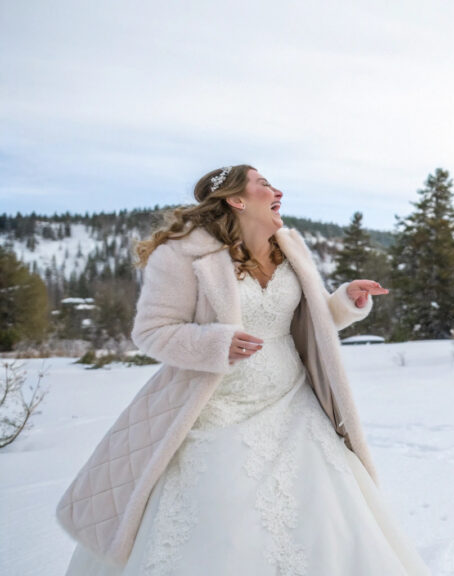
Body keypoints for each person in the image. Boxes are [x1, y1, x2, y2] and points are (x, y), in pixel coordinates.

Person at [57, 165, 429, 575]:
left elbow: (307, 318)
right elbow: (152, 332)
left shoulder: (290, 246)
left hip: (293, 402)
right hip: (213, 409)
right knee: (222, 513)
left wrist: (345, 301)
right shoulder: (183, 252)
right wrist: (215, 343)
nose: (278, 190)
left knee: (323, 511)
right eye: (264, 184)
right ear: (236, 200)